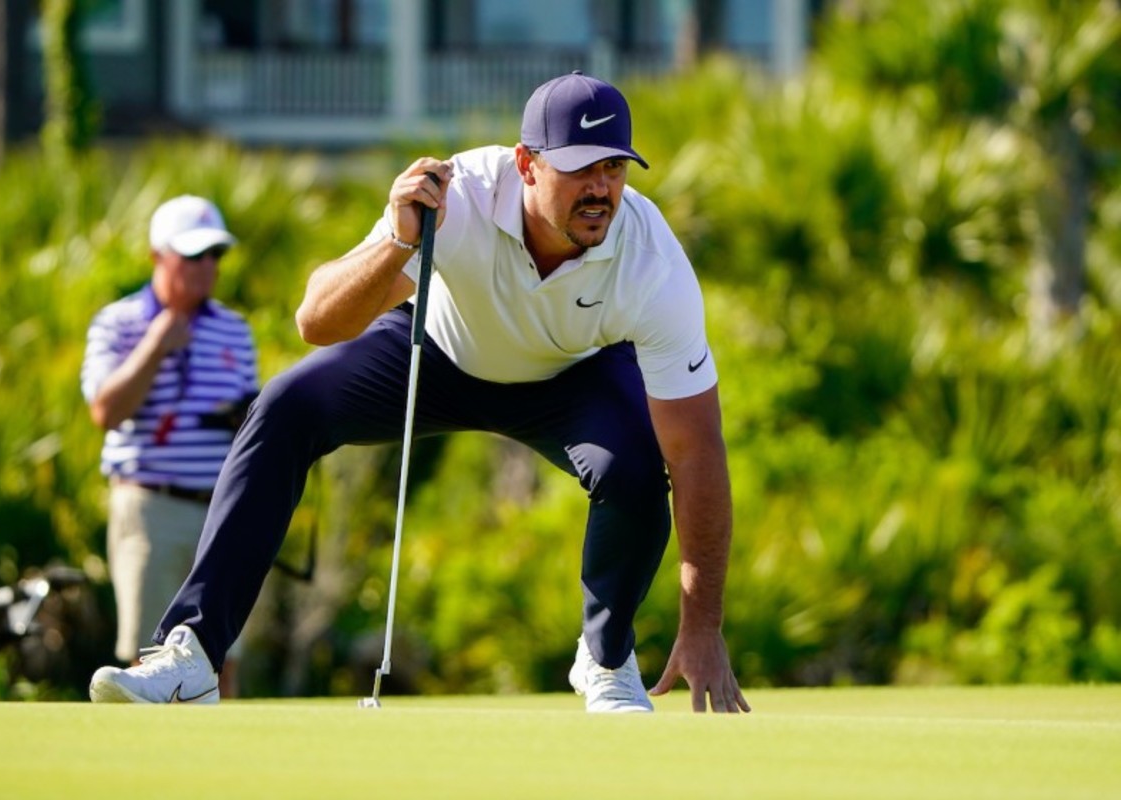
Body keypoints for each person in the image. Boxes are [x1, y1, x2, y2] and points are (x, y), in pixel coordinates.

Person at [89, 72, 750, 713]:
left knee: (636, 471)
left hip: (569, 375)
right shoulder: (452, 197)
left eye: (614, 167)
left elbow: (697, 452)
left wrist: (703, 625)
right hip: (436, 352)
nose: (601, 189)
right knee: (286, 407)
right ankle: (194, 656)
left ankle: (605, 661)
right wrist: (399, 240)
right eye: (581, 168)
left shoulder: (649, 259)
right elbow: (316, 322)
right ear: (526, 164)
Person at [81, 195, 258, 699]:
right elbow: (105, 411)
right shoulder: (118, 322)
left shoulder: (234, 328)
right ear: (158, 255)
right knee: (147, 658)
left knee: (222, 659)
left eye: (215, 256)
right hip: (151, 508)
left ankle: (225, 771)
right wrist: (156, 344)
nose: (207, 268)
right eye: (193, 255)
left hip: (219, 515)